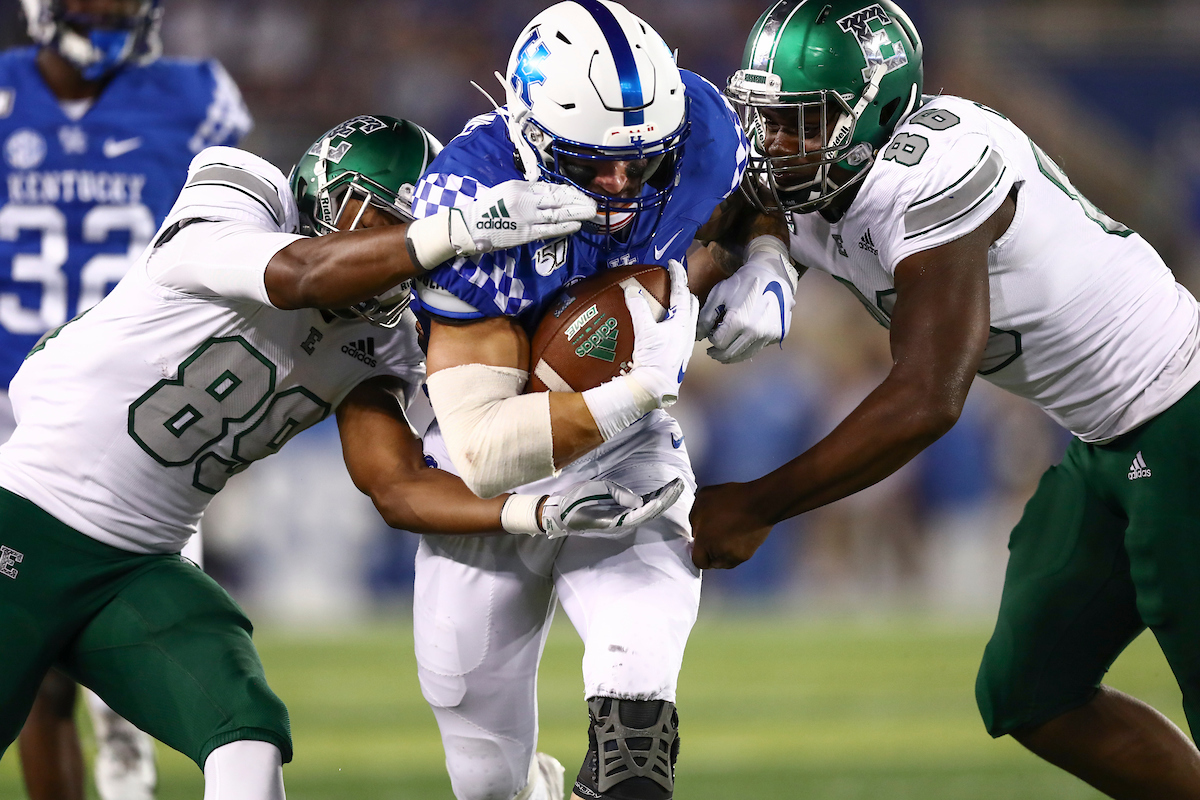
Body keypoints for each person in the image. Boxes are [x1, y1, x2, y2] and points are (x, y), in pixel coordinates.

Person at [0, 114, 684, 800]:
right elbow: (298, 275)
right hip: (25, 515)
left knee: (245, 732)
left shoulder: (384, 340)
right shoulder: (239, 191)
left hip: (141, 564)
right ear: (327, 191)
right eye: (380, 221)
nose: (405, 256)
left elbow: (395, 485)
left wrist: (536, 511)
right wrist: (451, 231)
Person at [691, 0, 1200, 797]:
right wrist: (760, 252)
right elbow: (745, 208)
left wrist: (757, 504)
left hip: (1180, 419)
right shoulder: (822, 166)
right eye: (769, 119)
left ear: (881, 112)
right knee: (1029, 694)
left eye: (805, 123)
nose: (778, 145)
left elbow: (927, 396)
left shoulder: (934, 169)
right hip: (1104, 436)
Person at [408, 2, 757, 798]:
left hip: (630, 455)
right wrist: (638, 387)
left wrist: (765, 255)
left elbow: (748, 194)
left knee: (635, 747)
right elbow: (486, 448)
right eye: (593, 163)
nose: (619, 183)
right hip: (490, 476)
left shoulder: (699, 127)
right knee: (486, 778)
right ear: (532, 136)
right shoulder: (470, 196)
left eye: (641, 163)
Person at [2, 0, 252, 797]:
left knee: (130, 659)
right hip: (13, 404)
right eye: (93, 2)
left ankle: (130, 777)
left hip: (130, 413)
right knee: (32, 672)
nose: (111, 16)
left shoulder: (196, 96)